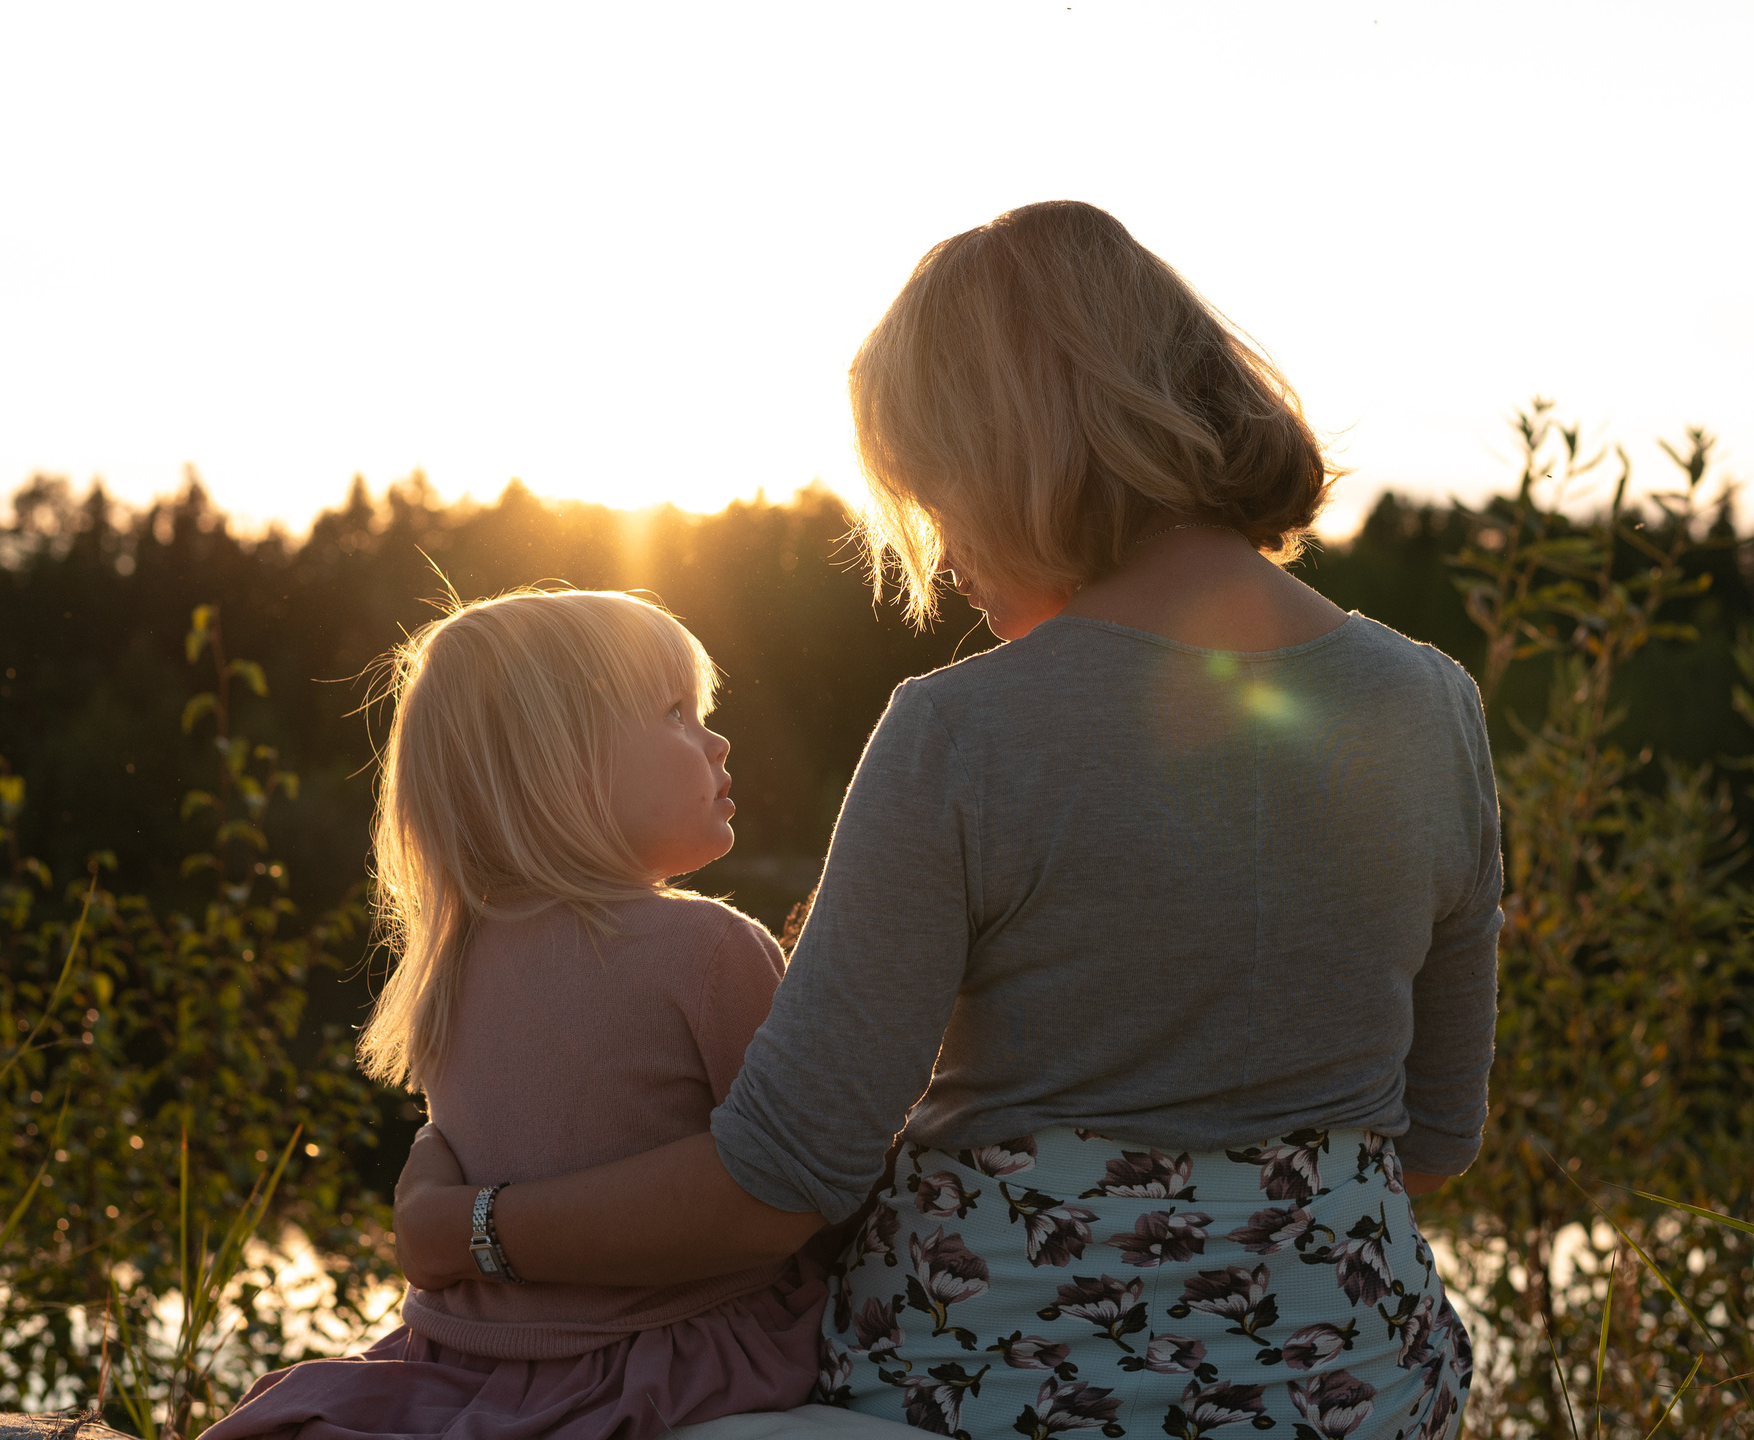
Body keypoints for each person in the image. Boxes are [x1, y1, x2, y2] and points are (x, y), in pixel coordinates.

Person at [397, 201, 1500, 1440]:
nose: (941, 554)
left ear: (1007, 454)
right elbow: (1434, 1138)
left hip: (999, 1391)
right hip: (1361, 1391)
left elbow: (781, 1180)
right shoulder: (1434, 705)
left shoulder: (961, 732)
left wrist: (470, 1228)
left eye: (931, 493)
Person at [202, 589, 828, 1440]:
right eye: (677, 713)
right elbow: (818, 1183)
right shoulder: (709, 949)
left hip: (464, 1364)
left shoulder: (453, 962)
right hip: (671, 1359)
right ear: (563, 766)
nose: (717, 740)